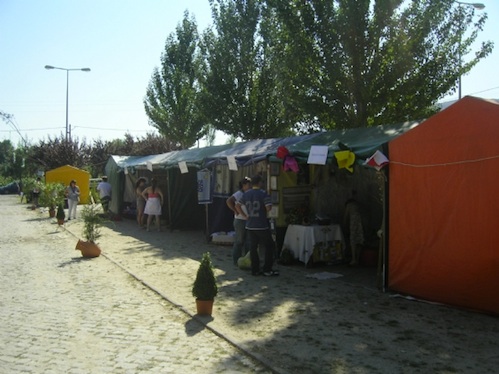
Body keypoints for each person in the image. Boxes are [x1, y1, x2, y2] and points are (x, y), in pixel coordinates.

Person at [238, 175, 279, 277]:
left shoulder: (246, 194)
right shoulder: (263, 194)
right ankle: (267, 269)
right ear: (260, 183)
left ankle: (255, 269)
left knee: (253, 248)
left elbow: (237, 205)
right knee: (269, 246)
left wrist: (244, 215)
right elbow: (268, 208)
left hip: (250, 225)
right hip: (261, 225)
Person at [226, 177, 251, 265]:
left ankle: (247, 259)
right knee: (239, 241)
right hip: (240, 220)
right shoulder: (239, 193)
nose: (250, 186)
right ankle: (236, 259)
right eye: (248, 184)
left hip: (247, 219)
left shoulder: (249, 193)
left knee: (248, 241)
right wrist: (235, 210)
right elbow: (229, 201)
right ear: (244, 185)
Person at [344, 191, 364, 266]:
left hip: (353, 225)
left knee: (353, 242)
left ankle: (353, 259)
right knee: (359, 241)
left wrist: (344, 225)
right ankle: (357, 259)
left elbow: (346, 216)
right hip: (360, 224)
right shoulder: (358, 205)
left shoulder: (349, 205)